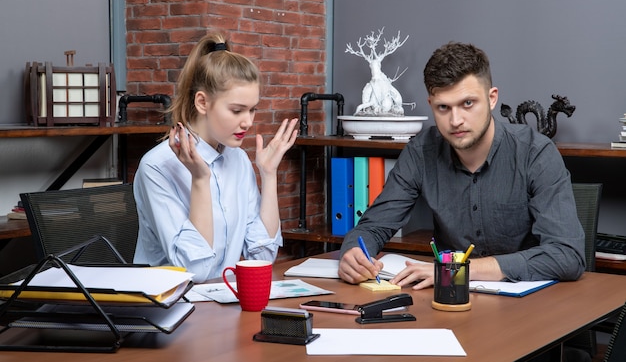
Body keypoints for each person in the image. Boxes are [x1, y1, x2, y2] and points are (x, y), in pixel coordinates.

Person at [338, 41, 586, 290]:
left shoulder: (535, 152)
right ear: (431, 105)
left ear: (492, 99)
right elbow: (373, 227)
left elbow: (567, 255)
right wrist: (353, 254)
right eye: (443, 107)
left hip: (531, 307)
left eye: (467, 104)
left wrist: (458, 269)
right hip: (450, 302)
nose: (455, 121)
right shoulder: (421, 152)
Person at [133, 33, 298, 283]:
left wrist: (269, 174)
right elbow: (195, 271)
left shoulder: (239, 160)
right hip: (171, 310)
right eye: (236, 110)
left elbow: (262, 257)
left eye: (253, 109)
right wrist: (200, 180)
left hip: (223, 303)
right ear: (202, 102)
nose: (248, 122)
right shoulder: (157, 167)